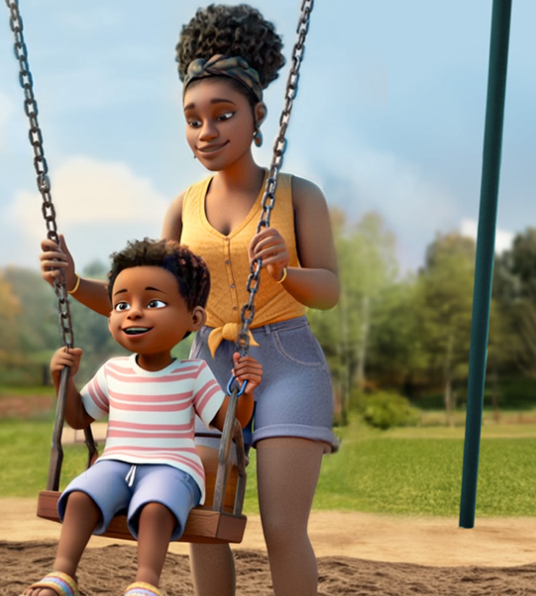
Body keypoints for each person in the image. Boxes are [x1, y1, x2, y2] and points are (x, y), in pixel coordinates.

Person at [35, 7, 343, 595]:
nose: (207, 131)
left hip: (286, 363)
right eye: (193, 119)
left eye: (223, 115)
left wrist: (287, 270)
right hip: (206, 368)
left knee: (281, 526)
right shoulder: (182, 205)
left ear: (257, 116)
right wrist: (75, 282)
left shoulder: (298, 195)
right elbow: (156, 305)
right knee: (203, 522)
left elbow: (328, 290)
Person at [27, 240, 260, 596]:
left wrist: (244, 391)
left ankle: (145, 583)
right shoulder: (113, 372)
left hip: (173, 468)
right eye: (121, 304)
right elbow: (78, 418)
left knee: (155, 507)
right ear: (111, 317)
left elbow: (230, 422)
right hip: (116, 464)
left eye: (153, 303)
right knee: (79, 497)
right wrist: (63, 380)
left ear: (194, 319)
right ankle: (61, 576)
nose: (133, 313)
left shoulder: (193, 373)